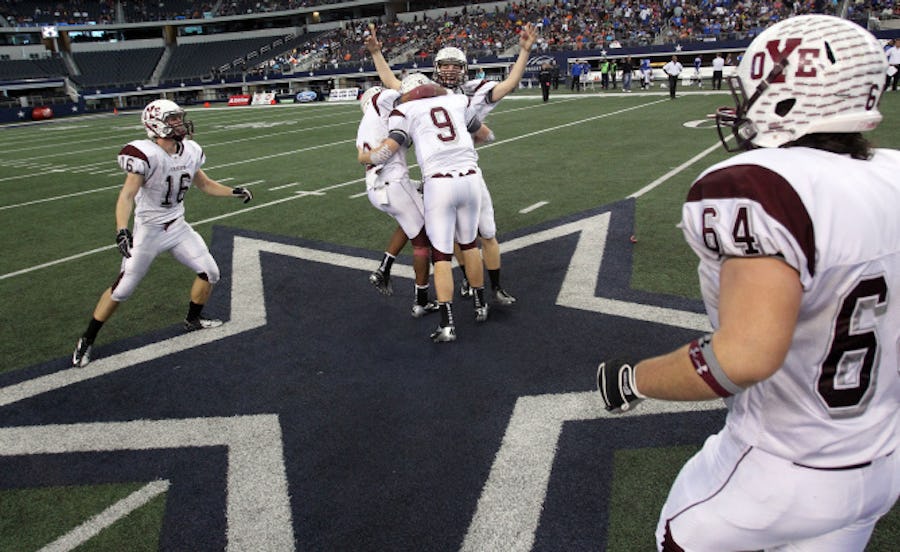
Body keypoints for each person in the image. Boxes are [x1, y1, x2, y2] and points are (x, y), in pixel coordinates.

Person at [596, 15, 899, 551]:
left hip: (781, 466)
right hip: (880, 460)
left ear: (787, 95)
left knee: (676, 536)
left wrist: (633, 379)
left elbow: (745, 357)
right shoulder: (890, 172)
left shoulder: (764, 186)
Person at [72, 99, 254, 368]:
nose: (179, 123)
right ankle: (87, 339)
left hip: (177, 226)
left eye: (179, 117)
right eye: (172, 119)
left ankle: (192, 320)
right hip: (148, 231)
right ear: (155, 124)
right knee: (123, 289)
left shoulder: (190, 150)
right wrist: (122, 229)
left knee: (210, 272)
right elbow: (127, 195)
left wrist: (233, 191)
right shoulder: (148, 155)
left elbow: (204, 184)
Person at [366, 24, 538, 307]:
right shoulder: (425, 91)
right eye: (444, 65)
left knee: (486, 232)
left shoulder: (466, 93)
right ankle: (471, 281)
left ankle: (493, 287)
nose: (449, 70)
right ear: (436, 67)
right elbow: (393, 82)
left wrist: (524, 52)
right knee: (456, 237)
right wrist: (376, 53)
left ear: (464, 69)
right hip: (441, 173)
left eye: (455, 66)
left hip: (464, 170)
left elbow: (508, 85)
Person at [360, 78, 488, 343]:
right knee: (460, 244)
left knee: (428, 241)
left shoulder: (388, 116)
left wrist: (365, 157)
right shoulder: (451, 100)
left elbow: (385, 149)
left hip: (411, 184)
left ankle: (443, 320)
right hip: (461, 178)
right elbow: (484, 134)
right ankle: (476, 301)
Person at [356, 84, 438, 317]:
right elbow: (412, 95)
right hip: (393, 184)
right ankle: (421, 301)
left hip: (375, 188)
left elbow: (363, 157)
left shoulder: (366, 125)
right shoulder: (385, 100)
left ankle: (384, 268)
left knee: (409, 219)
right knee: (422, 242)